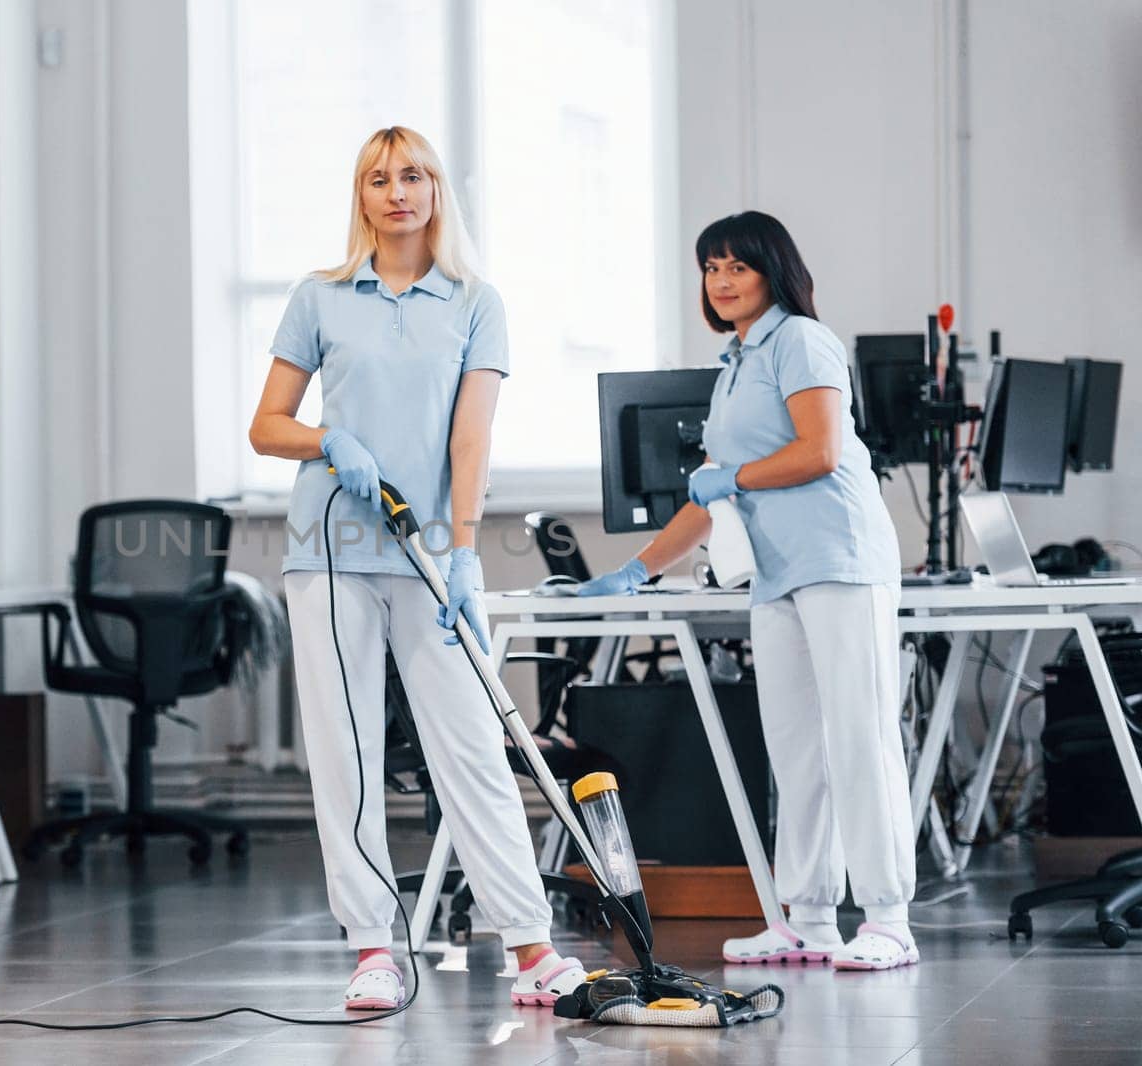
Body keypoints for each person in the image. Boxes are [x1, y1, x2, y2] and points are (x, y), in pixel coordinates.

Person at [247, 126, 585, 1010]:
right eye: (377, 178)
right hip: (327, 553)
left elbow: (472, 434)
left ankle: (533, 948)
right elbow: (267, 424)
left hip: (430, 556)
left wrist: (465, 553)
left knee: (471, 748)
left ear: (438, 190)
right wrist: (329, 438)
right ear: (359, 196)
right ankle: (372, 949)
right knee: (347, 749)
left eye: (414, 175)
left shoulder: (475, 301)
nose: (397, 191)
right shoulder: (320, 298)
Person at [578, 211, 918, 971]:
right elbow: (707, 500)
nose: (722, 281)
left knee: (858, 739)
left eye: (737, 266)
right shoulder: (734, 364)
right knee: (797, 750)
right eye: (710, 268)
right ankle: (811, 917)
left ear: (773, 270)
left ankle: (890, 917)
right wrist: (636, 569)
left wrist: (729, 476)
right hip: (776, 573)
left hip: (839, 558)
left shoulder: (800, 340)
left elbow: (820, 451)